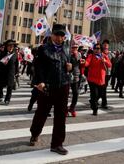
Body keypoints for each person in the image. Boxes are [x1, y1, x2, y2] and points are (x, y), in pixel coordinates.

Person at [29, 24, 72, 155]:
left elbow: (68, 64)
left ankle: (57, 144)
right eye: (57, 35)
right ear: (52, 35)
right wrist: (40, 82)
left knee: (61, 116)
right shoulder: (43, 49)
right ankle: (35, 133)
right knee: (41, 113)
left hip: (63, 85)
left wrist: (70, 67)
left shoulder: (66, 49)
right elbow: (38, 67)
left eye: (62, 35)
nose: (60, 38)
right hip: (47, 86)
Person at [85, 43, 112, 116]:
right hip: (92, 79)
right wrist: (84, 62)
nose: (97, 50)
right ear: (93, 49)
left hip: (101, 80)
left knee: (100, 94)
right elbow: (87, 62)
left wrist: (105, 61)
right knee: (94, 94)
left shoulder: (104, 56)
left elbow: (110, 65)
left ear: (100, 49)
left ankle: (93, 102)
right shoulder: (91, 56)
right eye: (95, 48)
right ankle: (95, 109)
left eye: (98, 48)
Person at [0, 40, 19, 105]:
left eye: (12, 46)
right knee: (0, 85)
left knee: (10, 86)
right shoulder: (2, 54)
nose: (11, 47)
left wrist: (17, 72)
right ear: (6, 46)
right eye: (9, 46)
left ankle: (7, 99)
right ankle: (0, 96)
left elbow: (16, 64)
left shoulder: (15, 55)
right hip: (2, 72)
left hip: (11, 73)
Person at [68, 43, 84, 117]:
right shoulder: (68, 54)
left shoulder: (80, 55)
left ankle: (72, 108)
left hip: (76, 77)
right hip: (67, 77)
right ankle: (64, 109)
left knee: (76, 93)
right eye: (73, 47)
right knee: (65, 94)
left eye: (76, 47)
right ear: (71, 48)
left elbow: (82, 64)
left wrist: (82, 72)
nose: (74, 49)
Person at [100, 39, 114, 109]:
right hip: (101, 73)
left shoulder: (110, 54)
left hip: (108, 73)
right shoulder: (100, 53)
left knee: (103, 88)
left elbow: (113, 63)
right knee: (103, 89)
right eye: (104, 44)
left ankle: (96, 100)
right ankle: (103, 103)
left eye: (107, 44)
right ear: (102, 45)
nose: (105, 45)